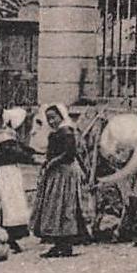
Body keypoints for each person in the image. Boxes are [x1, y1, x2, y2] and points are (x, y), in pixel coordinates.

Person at [31, 103, 88, 258]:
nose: (51, 122)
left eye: (53, 118)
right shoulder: (58, 132)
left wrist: (52, 163)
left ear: (61, 116)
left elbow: (69, 154)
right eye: (48, 119)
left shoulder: (67, 132)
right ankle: (60, 244)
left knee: (64, 207)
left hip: (65, 173)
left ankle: (65, 244)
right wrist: (47, 163)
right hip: (57, 173)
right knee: (57, 208)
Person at [0, 107, 34, 254]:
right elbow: (17, 152)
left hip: (11, 172)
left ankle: (12, 237)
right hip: (7, 173)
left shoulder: (8, 135)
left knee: (13, 203)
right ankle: (10, 237)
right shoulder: (6, 138)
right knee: (10, 203)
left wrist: (33, 152)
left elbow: (22, 148)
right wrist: (32, 157)